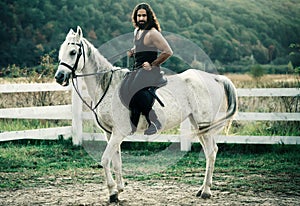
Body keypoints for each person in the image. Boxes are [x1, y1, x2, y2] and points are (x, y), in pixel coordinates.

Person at [126, 3, 173, 135]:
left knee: (136, 90)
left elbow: (168, 51)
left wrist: (152, 64)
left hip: (150, 71)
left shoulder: (153, 33)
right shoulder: (137, 31)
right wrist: (133, 51)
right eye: (139, 15)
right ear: (135, 17)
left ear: (149, 17)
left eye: (144, 15)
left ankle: (154, 122)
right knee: (125, 87)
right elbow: (140, 47)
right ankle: (133, 122)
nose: (141, 18)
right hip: (137, 68)